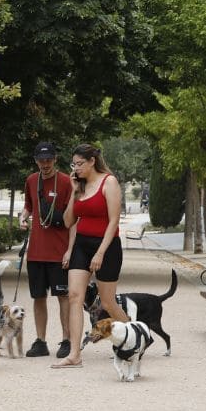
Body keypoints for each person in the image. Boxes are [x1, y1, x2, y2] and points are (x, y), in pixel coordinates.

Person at [53, 144, 128, 368]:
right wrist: (74, 193)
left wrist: (101, 252)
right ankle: (74, 354)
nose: (75, 169)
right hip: (82, 245)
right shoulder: (78, 186)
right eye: (73, 165)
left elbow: (114, 220)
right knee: (75, 296)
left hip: (107, 245)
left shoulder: (109, 182)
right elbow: (68, 222)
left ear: (92, 161)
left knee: (107, 302)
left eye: (79, 164)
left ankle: (137, 334)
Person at [18, 142, 74, 358]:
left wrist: (70, 250)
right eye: (41, 160)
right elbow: (28, 206)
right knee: (38, 297)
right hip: (36, 252)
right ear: (36, 161)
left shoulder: (67, 182)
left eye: (49, 159)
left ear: (56, 159)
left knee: (63, 297)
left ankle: (67, 339)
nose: (45, 164)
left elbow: (74, 218)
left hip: (58, 251)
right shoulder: (32, 180)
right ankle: (41, 341)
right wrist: (22, 217)